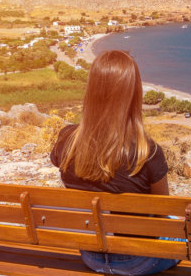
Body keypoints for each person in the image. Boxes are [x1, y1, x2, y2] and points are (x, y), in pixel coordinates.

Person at [50, 50, 178, 275]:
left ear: (92, 90)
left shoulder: (66, 140)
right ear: (134, 92)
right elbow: (162, 211)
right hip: (138, 261)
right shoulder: (146, 152)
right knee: (178, 223)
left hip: (90, 255)